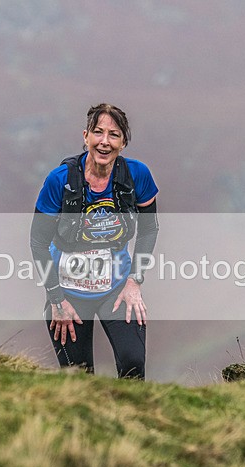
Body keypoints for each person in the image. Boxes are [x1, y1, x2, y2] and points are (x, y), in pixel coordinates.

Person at [30, 103, 159, 379]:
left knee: (133, 366)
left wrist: (135, 281)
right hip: (68, 294)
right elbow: (38, 242)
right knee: (80, 382)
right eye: (98, 132)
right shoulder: (59, 180)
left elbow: (149, 229)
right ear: (85, 136)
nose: (104, 142)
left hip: (117, 288)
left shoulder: (137, 176)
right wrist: (56, 299)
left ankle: (132, 420)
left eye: (113, 135)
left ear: (123, 142)